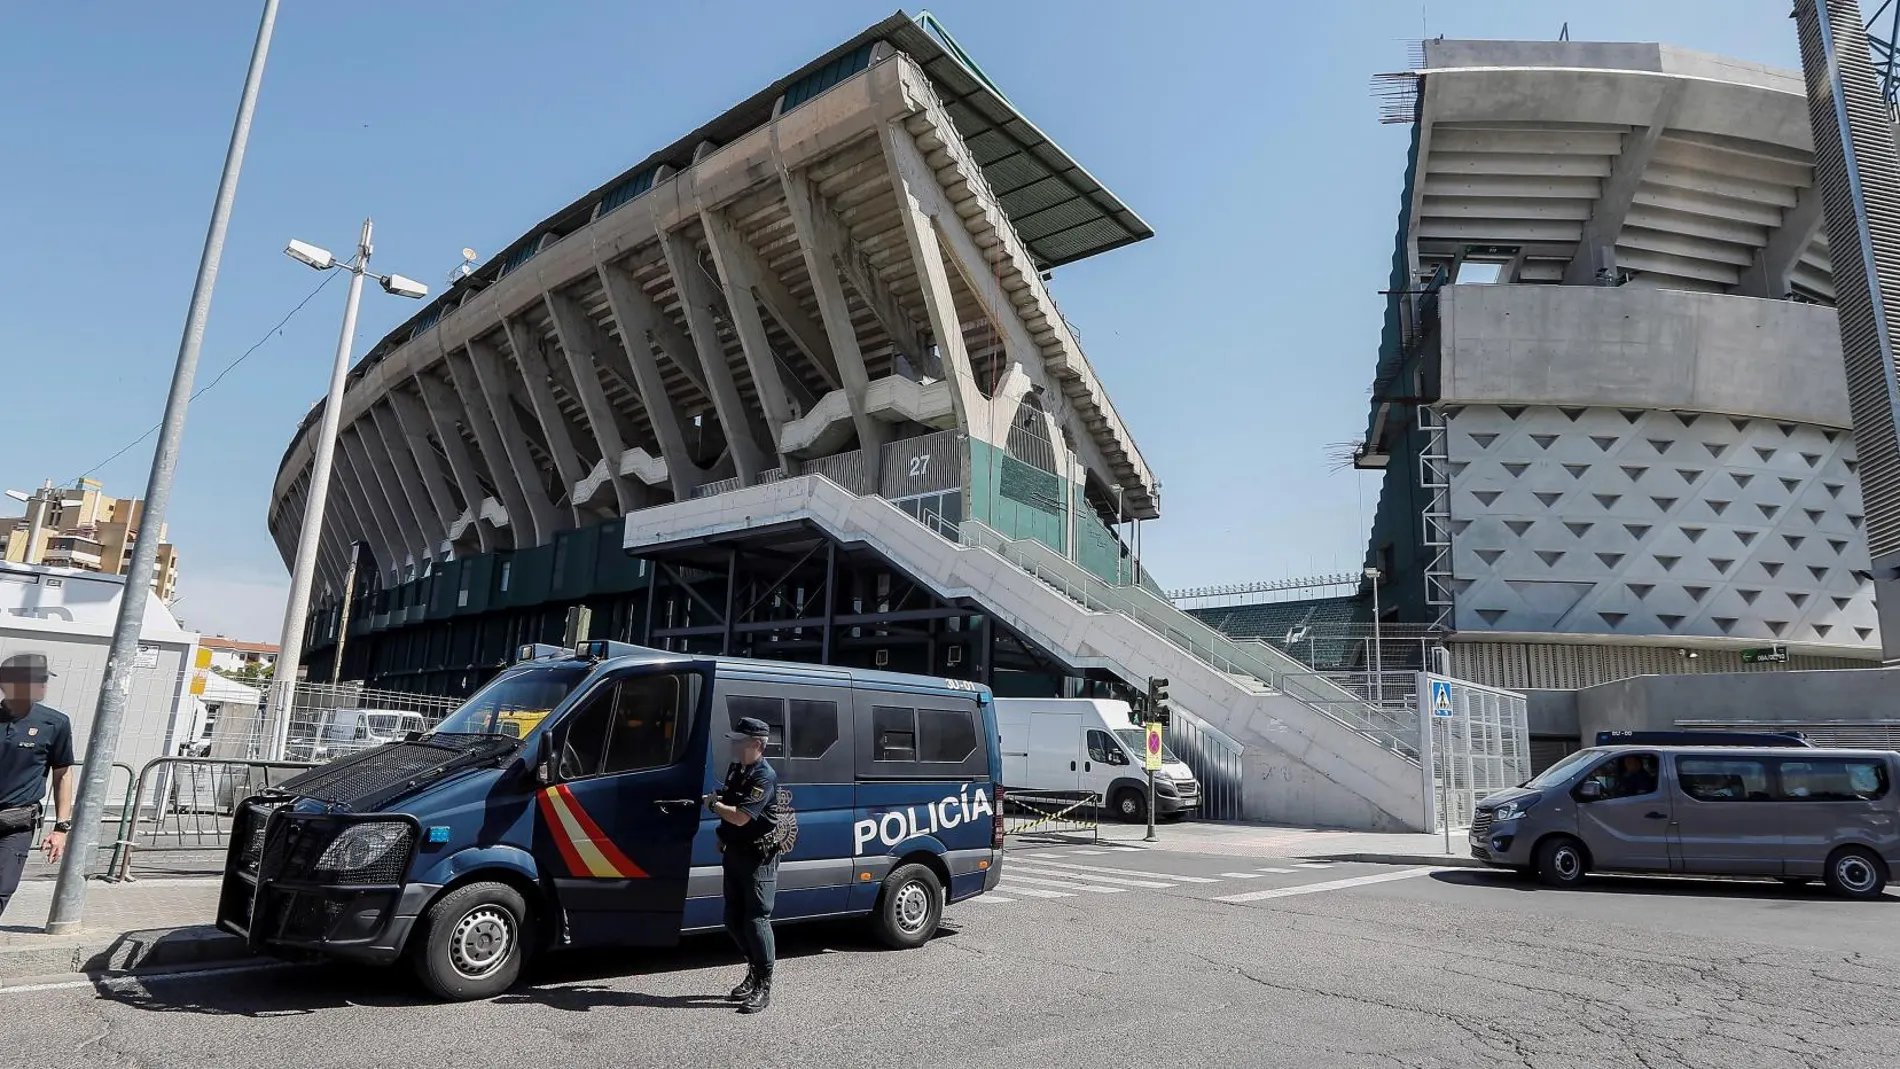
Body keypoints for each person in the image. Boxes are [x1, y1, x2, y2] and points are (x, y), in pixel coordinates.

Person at [705, 716, 779, 1014]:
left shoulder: (765, 776)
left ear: (757, 745)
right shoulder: (739, 769)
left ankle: (764, 984)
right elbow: (731, 802)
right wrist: (722, 833)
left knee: (756, 918)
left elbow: (741, 816)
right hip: (735, 852)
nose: (734, 746)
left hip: (757, 857)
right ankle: (753, 969)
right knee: (732, 918)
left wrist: (713, 805)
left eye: (740, 741)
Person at [0, 654, 75, 919]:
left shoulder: (54, 723)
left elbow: (62, 774)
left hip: (15, 823)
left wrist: (61, 827)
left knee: (1, 889)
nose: (43, 685)